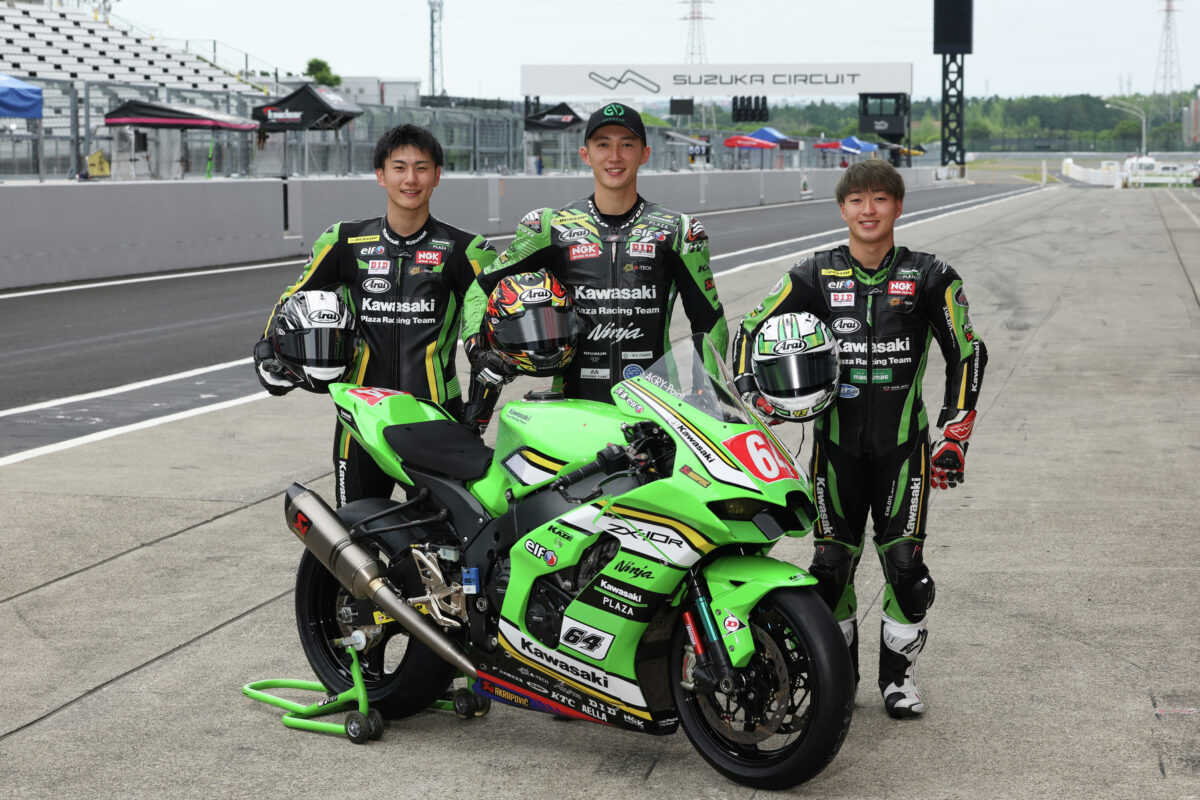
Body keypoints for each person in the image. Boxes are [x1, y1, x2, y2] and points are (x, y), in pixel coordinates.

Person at [732, 160, 987, 719]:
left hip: (905, 450)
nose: (868, 210)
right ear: (842, 208)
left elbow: (968, 352)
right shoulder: (813, 273)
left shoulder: (931, 275)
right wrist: (758, 399)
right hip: (835, 450)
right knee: (829, 569)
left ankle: (897, 681)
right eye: (856, 200)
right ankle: (839, 682)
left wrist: (956, 434)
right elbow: (750, 330)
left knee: (907, 571)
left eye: (880, 199)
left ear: (898, 206)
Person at [254, 124, 497, 506]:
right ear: (381, 175)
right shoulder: (344, 241)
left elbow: (497, 335)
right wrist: (268, 355)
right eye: (399, 167)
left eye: (421, 168)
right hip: (360, 421)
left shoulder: (467, 249)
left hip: (438, 421)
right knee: (355, 529)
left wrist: (479, 411)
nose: (410, 179)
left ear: (436, 175)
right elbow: (291, 300)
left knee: (445, 536)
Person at [460, 101, 727, 423]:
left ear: (644, 153)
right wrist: (477, 349)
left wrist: (707, 393)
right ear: (585, 154)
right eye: (603, 145)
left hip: (657, 410)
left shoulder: (678, 231)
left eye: (626, 145)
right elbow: (481, 287)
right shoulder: (550, 227)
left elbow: (709, 320)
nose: (614, 156)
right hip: (573, 409)